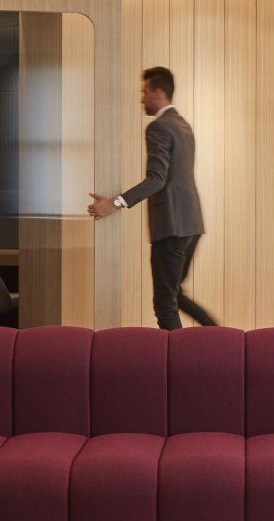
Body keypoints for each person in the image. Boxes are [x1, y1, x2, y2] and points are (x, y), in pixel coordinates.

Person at [88, 66, 218, 330]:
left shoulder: (158, 127)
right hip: (192, 224)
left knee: (164, 304)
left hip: (171, 226)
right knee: (175, 295)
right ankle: (224, 338)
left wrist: (114, 204)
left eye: (144, 92)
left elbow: (156, 179)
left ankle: (182, 356)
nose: (142, 99)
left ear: (158, 92)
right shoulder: (183, 125)